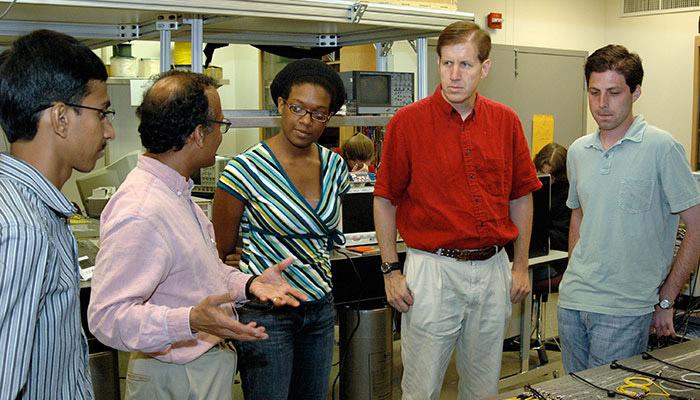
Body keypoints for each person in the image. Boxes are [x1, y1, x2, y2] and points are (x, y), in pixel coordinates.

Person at [87, 70, 307, 400]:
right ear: (198, 135)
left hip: (199, 369)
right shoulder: (142, 209)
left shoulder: (175, 192)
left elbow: (199, 274)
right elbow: (108, 318)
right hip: (176, 377)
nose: (221, 135)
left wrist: (248, 285)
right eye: (220, 124)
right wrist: (189, 321)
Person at [374, 21, 542, 400]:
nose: (453, 75)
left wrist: (519, 265)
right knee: (422, 388)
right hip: (433, 272)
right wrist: (390, 270)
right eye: (446, 63)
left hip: (491, 270)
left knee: (482, 389)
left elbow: (521, 196)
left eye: (465, 65)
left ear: (485, 68)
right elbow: (384, 199)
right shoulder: (408, 123)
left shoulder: (506, 122)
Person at [212, 58, 348, 400]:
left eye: (319, 114)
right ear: (280, 105)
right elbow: (220, 249)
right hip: (267, 316)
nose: (306, 121)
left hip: (319, 308)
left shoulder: (335, 166)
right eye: (298, 108)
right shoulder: (244, 169)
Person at [559, 44, 700, 373]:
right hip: (572, 303)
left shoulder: (661, 148)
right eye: (594, 92)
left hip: (625, 308)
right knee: (570, 394)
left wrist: (667, 299)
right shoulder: (579, 151)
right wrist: (572, 272)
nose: (602, 104)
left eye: (613, 92)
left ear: (636, 92)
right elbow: (578, 214)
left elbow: (696, 227)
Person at [0, 29, 115, 399]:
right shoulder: (23, 229)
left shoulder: (33, 209)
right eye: (102, 113)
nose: (110, 131)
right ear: (61, 117)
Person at [533, 142, 570, 251]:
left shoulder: (566, 193)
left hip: (556, 252)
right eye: (540, 172)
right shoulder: (531, 186)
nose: (547, 180)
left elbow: (563, 235)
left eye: (552, 176)